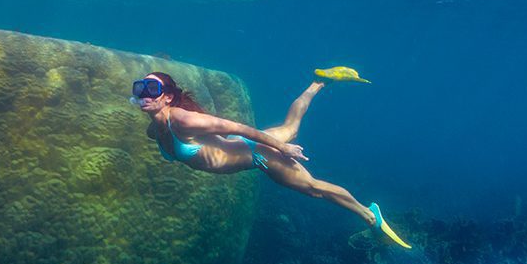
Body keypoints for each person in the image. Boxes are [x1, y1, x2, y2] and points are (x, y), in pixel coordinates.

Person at [133, 71, 411, 248]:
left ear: (168, 97)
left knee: (314, 188)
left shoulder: (184, 120)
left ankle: (369, 214)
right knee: (291, 128)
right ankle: (320, 81)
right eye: (140, 88)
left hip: (257, 154)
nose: (145, 95)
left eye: (152, 89)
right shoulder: (154, 129)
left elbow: (238, 128)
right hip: (244, 147)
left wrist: (282, 148)